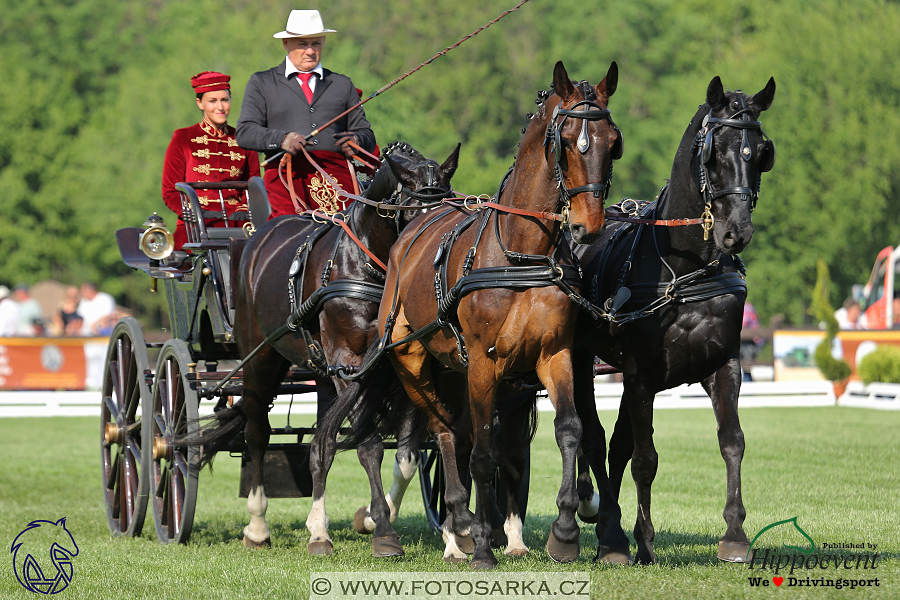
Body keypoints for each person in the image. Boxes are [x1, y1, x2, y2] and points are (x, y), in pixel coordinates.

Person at [236, 9, 377, 217]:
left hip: (338, 180)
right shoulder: (262, 82)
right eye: (302, 44)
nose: (310, 51)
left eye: (316, 44)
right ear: (286, 44)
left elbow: (367, 134)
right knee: (290, 235)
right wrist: (282, 139)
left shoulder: (342, 84)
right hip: (286, 177)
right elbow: (245, 132)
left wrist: (356, 139)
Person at [162, 71, 261, 249]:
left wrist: (242, 211)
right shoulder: (183, 138)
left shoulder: (244, 140)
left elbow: (254, 187)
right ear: (199, 103)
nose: (220, 107)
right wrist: (196, 213)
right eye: (212, 101)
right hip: (193, 226)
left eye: (224, 100)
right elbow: (170, 191)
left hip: (237, 226)